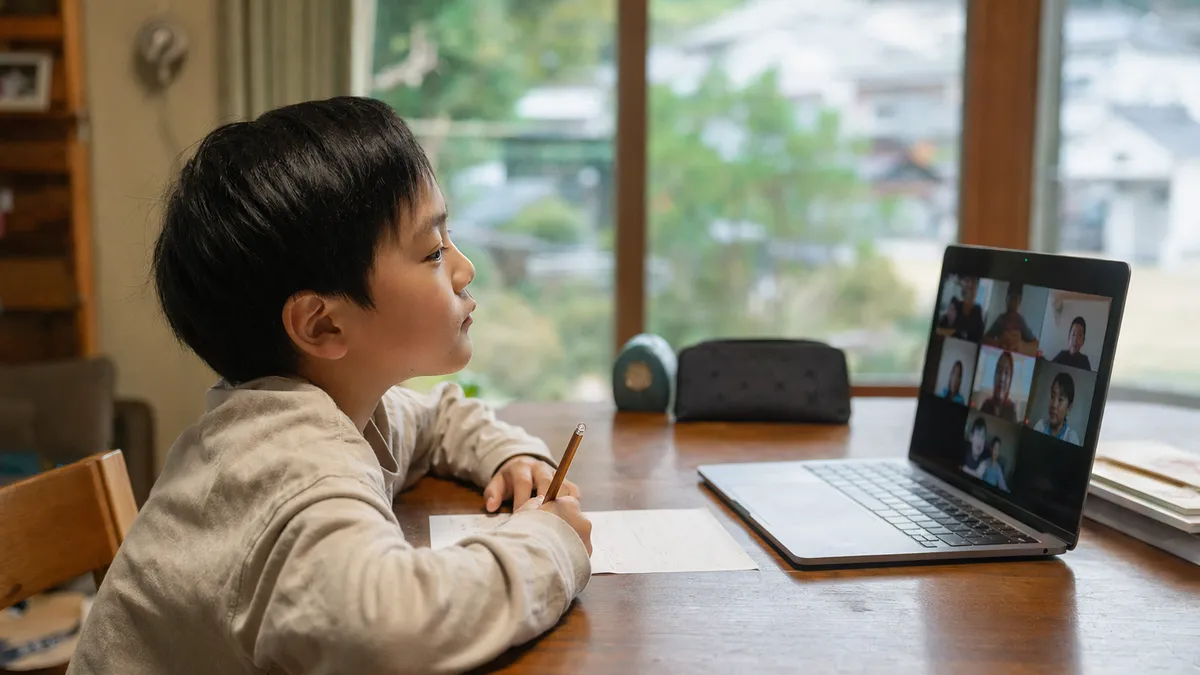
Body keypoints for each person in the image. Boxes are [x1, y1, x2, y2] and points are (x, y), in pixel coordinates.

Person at [66, 97, 594, 675]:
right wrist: (547, 543)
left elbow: (437, 418)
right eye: (434, 251)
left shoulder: (333, 405)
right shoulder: (286, 465)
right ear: (323, 324)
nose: (464, 268)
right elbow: (390, 631)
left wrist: (508, 455)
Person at [985, 282, 1038, 353]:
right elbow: (984, 339)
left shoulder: (1020, 321)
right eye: (1011, 298)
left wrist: (1022, 347)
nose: (1013, 302)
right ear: (1006, 299)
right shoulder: (1000, 319)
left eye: (1015, 299)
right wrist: (998, 343)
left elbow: (1036, 345)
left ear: (1019, 302)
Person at [1034, 372, 1082, 445]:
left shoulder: (1071, 437)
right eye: (1052, 397)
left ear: (1068, 408)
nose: (1054, 405)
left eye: (1060, 399)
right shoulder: (1040, 426)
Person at [938, 275, 985, 342]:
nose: (970, 286)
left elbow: (979, 337)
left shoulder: (978, 310)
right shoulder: (955, 305)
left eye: (973, 287)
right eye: (967, 282)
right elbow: (940, 330)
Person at [979, 351, 1019, 423]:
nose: (1002, 378)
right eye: (999, 370)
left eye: (1006, 373)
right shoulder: (986, 405)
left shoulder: (1012, 410)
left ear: (1010, 379)